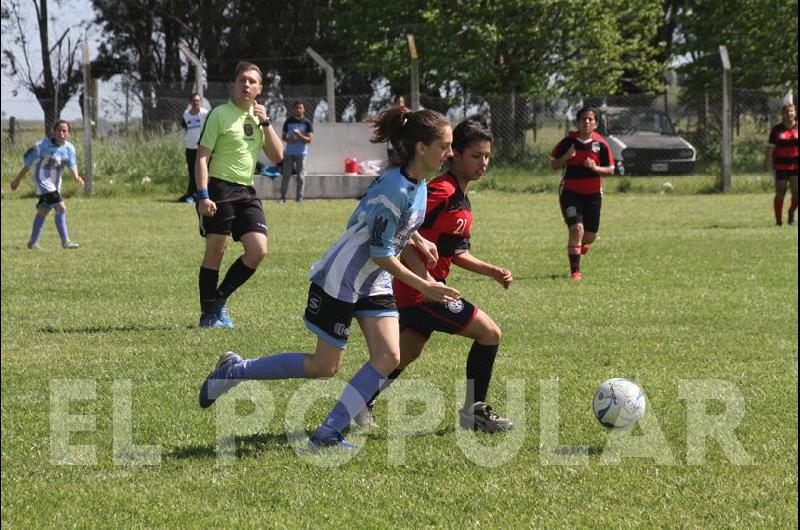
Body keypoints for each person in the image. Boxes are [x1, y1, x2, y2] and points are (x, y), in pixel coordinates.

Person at [198, 106, 460, 449]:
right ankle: (236, 370)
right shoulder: (396, 187)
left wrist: (418, 239)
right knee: (324, 366)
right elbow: (381, 251)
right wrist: (424, 285)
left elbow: (382, 222)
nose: (450, 153)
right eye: (445, 145)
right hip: (343, 278)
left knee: (389, 357)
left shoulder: (418, 182)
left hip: (372, 280)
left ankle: (327, 433)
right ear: (422, 148)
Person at [354, 115, 514, 432]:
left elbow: (456, 252)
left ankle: (358, 401)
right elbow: (406, 234)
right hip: (419, 290)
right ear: (454, 153)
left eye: (486, 156)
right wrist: (426, 284)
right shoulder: (440, 190)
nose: (483, 163)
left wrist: (491, 271)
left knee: (407, 351)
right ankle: (475, 413)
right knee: (489, 333)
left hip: (421, 288)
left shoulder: (461, 196)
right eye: (475, 156)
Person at [195, 61, 284, 329]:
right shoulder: (219, 114)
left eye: (252, 81)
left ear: (259, 88)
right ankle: (208, 315)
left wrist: (266, 122)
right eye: (242, 80)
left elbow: (278, 156)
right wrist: (202, 195)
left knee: (258, 250)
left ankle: (219, 299)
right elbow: (201, 157)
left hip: (246, 191)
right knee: (216, 251)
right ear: (233, 85)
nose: (246, 85)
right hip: (219, 188)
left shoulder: (259, 119)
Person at [551, 106, 615, 281]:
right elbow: (554, 165)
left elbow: (610, 169)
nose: (586, 122)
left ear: (595, 124)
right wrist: (566, 157)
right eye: (583, 119)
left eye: (590, 119)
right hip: (570, 192)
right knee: (576, 229)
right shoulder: (568, 142)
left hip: (593, 194)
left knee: (590, 236)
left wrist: (595, 168)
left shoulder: (601, 144)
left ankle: (583, 244)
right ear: (578, 122)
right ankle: (575, 272)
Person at [9, 120, 84, 249]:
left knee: (43, 211)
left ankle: (32, 243)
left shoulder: (69, 148)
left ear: (69, 133)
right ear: (53, 132)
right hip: (43, 181)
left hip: (55, 183)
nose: (61, 133)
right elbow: (28, 164)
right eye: (59, 130)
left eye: (64, 131)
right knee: (61, 208)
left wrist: (76, 175)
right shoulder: (42, 145)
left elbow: (72, 163)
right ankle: (65, 242)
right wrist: (17, 180)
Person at [766, 102, 798, 226]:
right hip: (781, 165)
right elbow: (770, 148)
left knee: (797, 194)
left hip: (796, 165)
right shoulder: (776, 130)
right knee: (780, 193)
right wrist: (767, 162)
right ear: (782, 114)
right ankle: (778, 222)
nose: (789, 113)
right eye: (786, 112)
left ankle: (791, 212)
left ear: (795, 112)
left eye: (791, 111)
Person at [280, 100, 313, 203]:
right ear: (293, 109)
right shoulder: (288, 122)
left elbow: (309, 140)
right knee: (286, 176)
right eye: (297, 108)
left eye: (300, 108)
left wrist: (299, 135)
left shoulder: (307, 123)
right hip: (289, 153)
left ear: (304, 110)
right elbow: (283, 137)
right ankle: (282, 198)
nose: (298, 109)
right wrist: (290, 140)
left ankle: (299, 198)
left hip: (301, 153)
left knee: (300, 177)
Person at [179, 93, 209, 203]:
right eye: (194, 100)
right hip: (190, 148)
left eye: (198, 100)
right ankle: (191, 195)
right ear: (190, 102)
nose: (196, 103)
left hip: (202, 148)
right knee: (192, 172)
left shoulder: (205, 114)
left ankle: (204, 194)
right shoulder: (186, 114)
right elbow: (184, 127)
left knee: (204, 171)